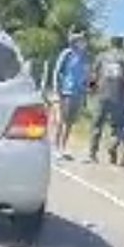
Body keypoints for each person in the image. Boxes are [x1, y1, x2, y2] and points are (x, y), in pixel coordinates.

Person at [88, 35, 124, 164]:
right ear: (122, 43)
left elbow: (93, 75)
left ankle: (92, 154)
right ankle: (112, 147)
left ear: (110, 43)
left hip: (101, 96)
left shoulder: (101, 56)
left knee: (97, 125)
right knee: (118, 126)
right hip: (119, 97)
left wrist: (91, 90)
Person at [51, 32, 89, 160]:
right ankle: (56, 148)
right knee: (61, 121)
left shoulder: (84, 57)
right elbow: (57, 72)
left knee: (70, 123)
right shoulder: (67, 53)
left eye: (84, 40)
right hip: (66, 92)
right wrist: (56, 91)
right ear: (75, 42)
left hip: (78, 94)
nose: (84, 42)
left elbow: (85, 77)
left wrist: (85, 95)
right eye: (81, 40)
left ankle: (63, 147)